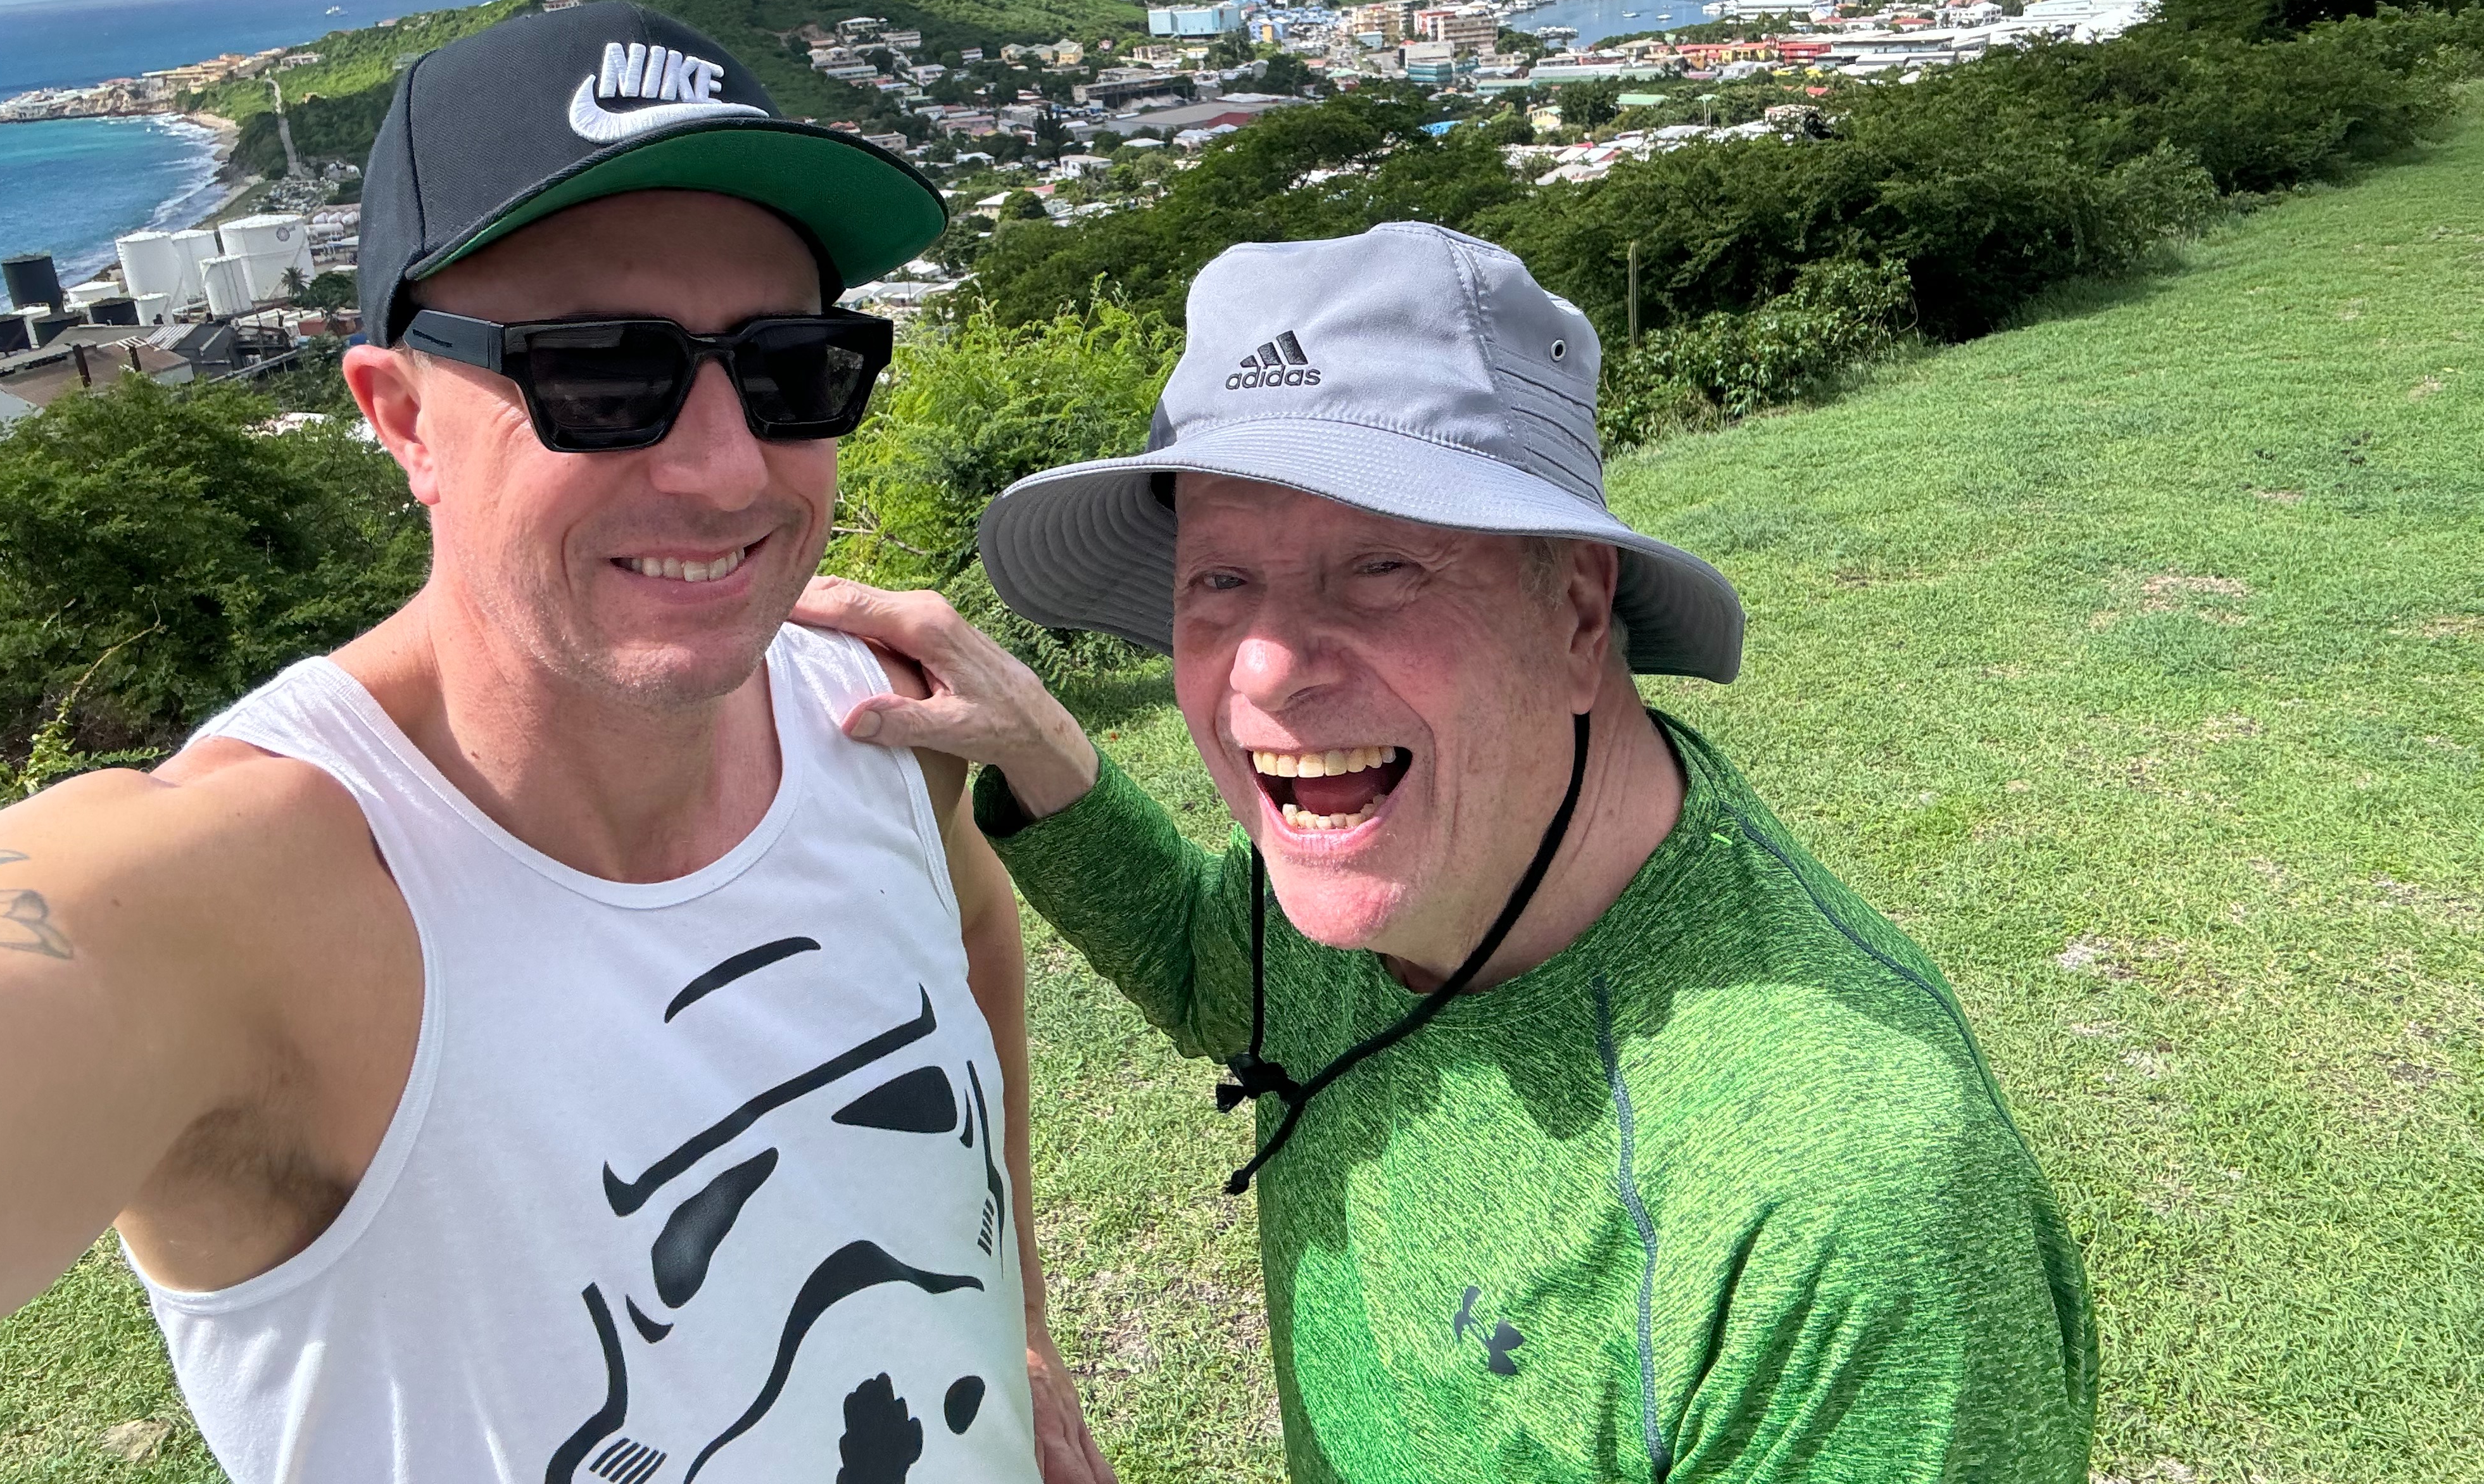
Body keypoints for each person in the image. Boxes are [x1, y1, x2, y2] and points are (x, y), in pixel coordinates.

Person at [0, 3, 1110, 1484]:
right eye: (600, 373)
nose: (724, 468)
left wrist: (1020, 1323)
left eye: (793, 367)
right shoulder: (249, 898)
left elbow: (971, 935)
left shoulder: (867, 721)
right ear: (401, 418)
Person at [802, 222, 2097, 1482]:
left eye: (1382, 565)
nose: (1265, 668)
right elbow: (1215, 967)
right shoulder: (1430, 848)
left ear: (1577, 612)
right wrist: (1036, 742)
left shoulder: (1842, 1207)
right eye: (1219, 581)